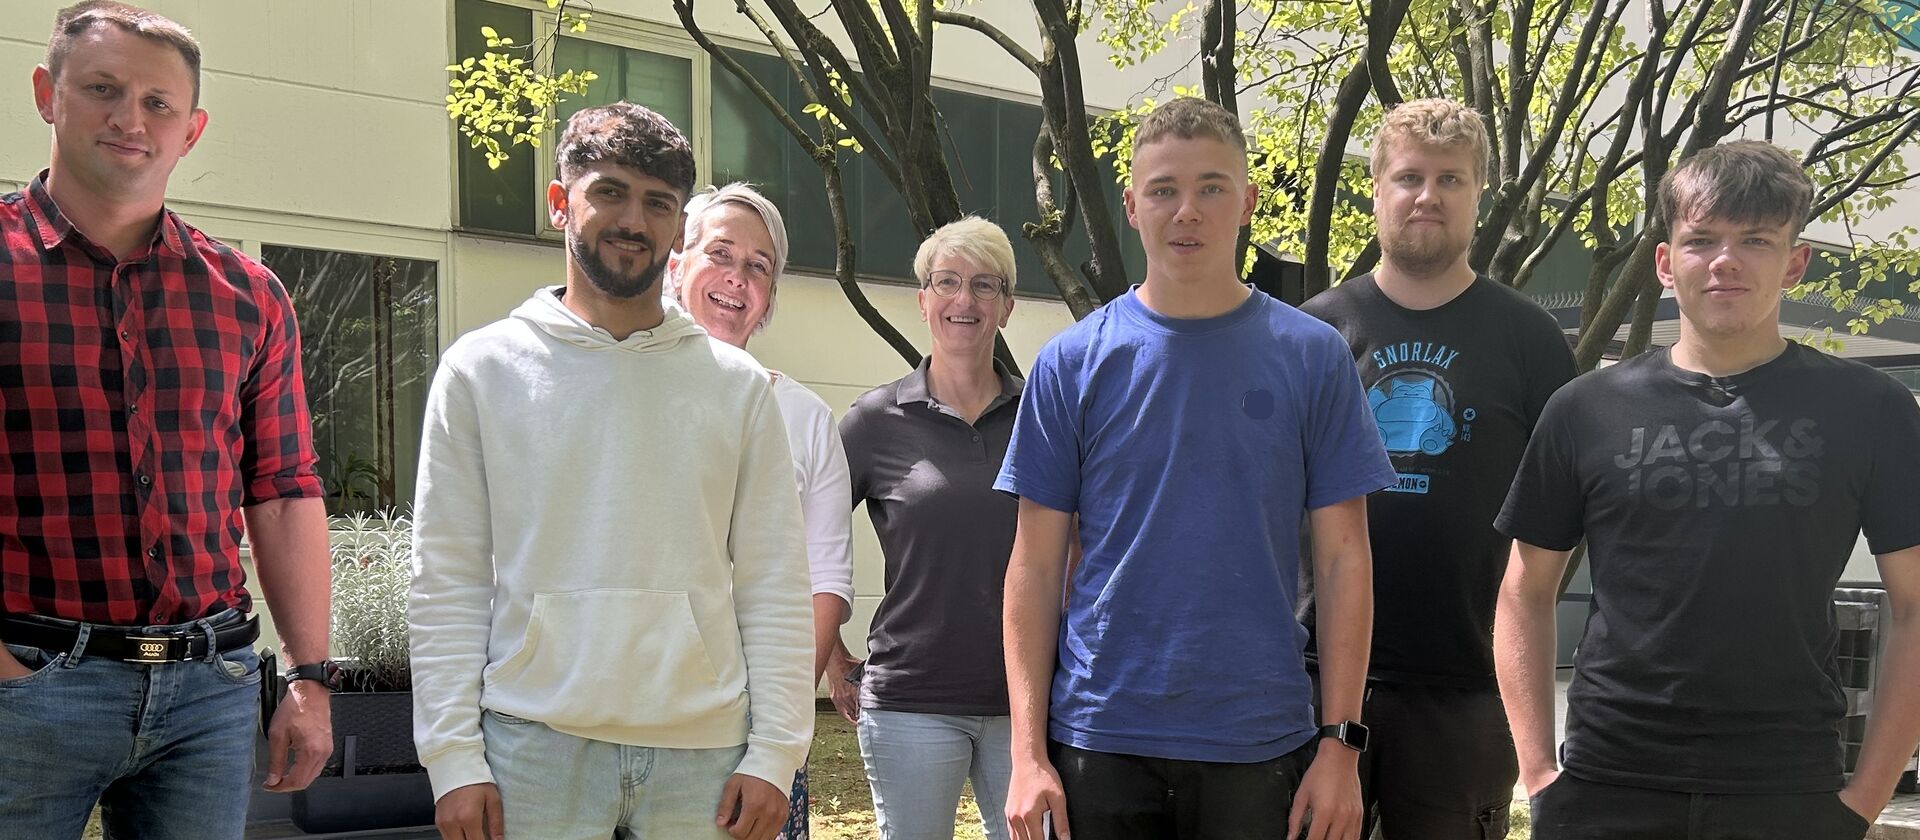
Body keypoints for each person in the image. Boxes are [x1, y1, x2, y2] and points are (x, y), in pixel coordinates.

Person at [408, 102, 815, 840]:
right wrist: (452, 759)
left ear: (677, 225)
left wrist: (776, 753)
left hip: (706, 753)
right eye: (609, 192)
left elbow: (776, 582)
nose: (633, 219)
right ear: (560, 202)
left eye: (657, 203)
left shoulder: (738, 388)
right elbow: (448, 576)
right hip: (531, 744)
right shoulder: (482, 370)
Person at [1495, 140, 1920, 840]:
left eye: (1755, 239)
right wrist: (1539, 771)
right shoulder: (1585, 409)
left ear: (1795, 261)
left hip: (1789, 786)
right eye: (1701, 240)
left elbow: (1912, 604)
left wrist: (1866, 797)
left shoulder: (1870, 409)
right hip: (1608, 783)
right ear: (1665, 263)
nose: (1725, 261)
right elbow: (1523, 591)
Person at [996, 96, 1395, 840]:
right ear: (1132, 205)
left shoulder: (1312, 357)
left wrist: (1341, 746)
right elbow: (1035, 567)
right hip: (1099, 738)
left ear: (1246, 202)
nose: (1188, 211)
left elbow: (1345, 561)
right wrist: (1025, 754)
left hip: (1258, 739)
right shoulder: (1072, 363)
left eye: (1212, 187)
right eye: (1164, 190)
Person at [0, 4, 335, 837]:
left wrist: (309, 676)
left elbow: (286, 494)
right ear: (48, 94)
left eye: (159, 103)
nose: (130, 118)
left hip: (208, 697)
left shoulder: (248, 296)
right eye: (103, 89)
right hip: (26, 682)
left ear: (192, 130)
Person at [1297, 98, 1577, 839]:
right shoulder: (1316, 331)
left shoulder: (1531, 339)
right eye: (1409, 176)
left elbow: (1565, 512)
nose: (1428, 195)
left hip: (1469, 683)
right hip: (1313, 680)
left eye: (1451, 179)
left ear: (1478, 194)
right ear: (1376, 189)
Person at [666, 182, 856, 840]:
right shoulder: (611, 391)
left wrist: (774, 735)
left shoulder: (803, 419)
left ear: (770, 296)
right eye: (719, 254)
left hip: (756, 742)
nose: (736, 278)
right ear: (675, 266)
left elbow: (825, 581)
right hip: (624, 730)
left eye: (758, 266)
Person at [834, 217, 1025, 840]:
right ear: (923, 301)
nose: (964, 300)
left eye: (984, 285)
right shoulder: (873, 421)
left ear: (1008, 305)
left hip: (1026, 704)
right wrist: (832, 657)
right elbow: (804, 540)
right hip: (911, 700)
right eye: (947, 282)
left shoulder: (1044, 416)